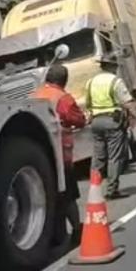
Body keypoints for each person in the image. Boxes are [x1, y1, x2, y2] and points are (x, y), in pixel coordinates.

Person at [32, 64, 86, 243]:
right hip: (61, 153)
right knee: (68, 194)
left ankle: (57, 235)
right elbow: (78, 120)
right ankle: (77, 230)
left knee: (51, 195)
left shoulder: (35, 95)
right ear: (64, 81)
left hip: (40, 155)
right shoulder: (63, 98)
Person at [85, 59, 136, 199]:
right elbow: (128, 104)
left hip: (96, 122)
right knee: (114, 157)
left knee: (98, 158)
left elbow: (88, 104)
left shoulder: (90, 82)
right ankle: (112, 190)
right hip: (112, 122)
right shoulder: (115, 81)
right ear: (113, 67)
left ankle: (94, 189)